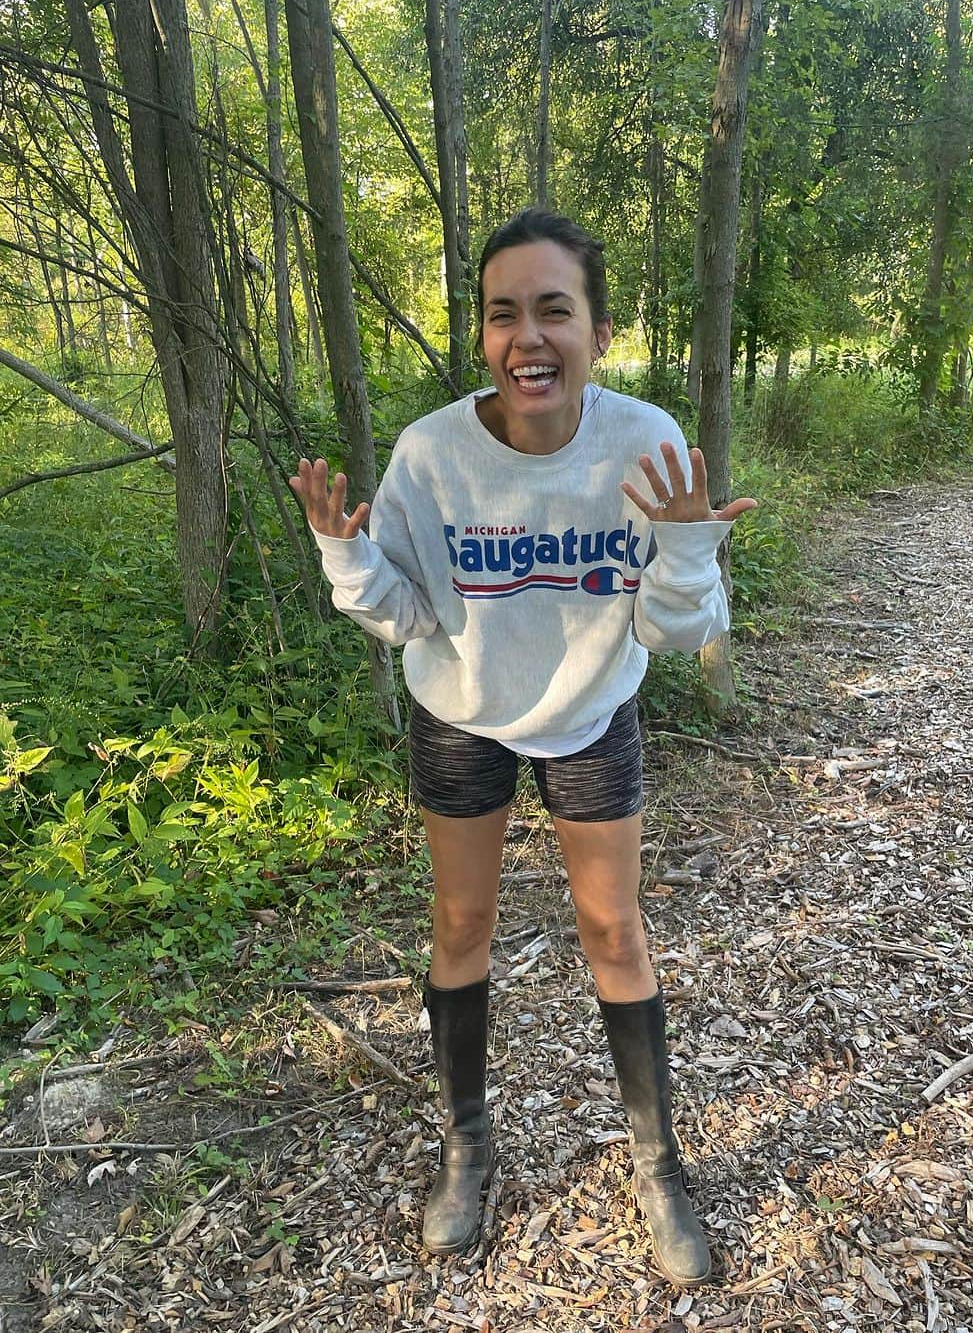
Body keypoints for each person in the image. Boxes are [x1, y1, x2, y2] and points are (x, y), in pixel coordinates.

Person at [290, 207, 757, 1288]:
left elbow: (679, 630)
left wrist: (685, 552)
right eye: (505, 314)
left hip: (593, 709)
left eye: (555, 310)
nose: (527, 337)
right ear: (485, 335)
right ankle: (466, 1145)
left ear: (596, 330)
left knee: (615, 929)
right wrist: (343, 556)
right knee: (462, 923)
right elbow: (404, 614)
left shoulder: (643, 442)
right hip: (463, 710)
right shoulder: (432, 455)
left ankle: (657, 1167)